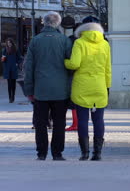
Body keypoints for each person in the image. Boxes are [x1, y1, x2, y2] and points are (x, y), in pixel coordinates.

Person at [23, 11, 72, 161]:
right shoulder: (64, 40)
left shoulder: (35, 41)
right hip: (60, 90)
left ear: (44, 23)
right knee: (59, 123)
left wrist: (29, 89)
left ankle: (41, 153)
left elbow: (29, 67)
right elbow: (71, 66)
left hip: (40, 90)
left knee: (40, 123)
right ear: (57, 23)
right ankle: (57, 153)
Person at [65, 22, 111, 161]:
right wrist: (107, 87)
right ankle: (97, 153)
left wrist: (65, 62)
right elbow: (108, 69)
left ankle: (84, 152)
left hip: (82, 86)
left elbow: (75, 64)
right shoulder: (105, 44)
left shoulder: (79, 42)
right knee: (99, 120)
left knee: (83, 120)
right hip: (99, 85)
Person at [65, 23, 81, 132]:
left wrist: (65, 63)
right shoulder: (86, 41)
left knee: (73, 100)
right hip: (85, 72)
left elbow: (67, 55)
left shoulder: (70, 40)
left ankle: (76, 123)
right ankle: (80, 123)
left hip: (71, 72)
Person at [2, 38, 22, 103]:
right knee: (9, 84)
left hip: (14, 69)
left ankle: (13, 96)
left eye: (10, 43)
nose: (9, 44)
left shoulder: (16, 50)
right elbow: (3, 60)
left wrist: (17, 63)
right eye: (8, 43)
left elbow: (20, 58)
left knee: (13, 84)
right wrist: (3, 59)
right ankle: (10, 97)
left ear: (12, 43)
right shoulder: (5, 50)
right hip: (8, 69)